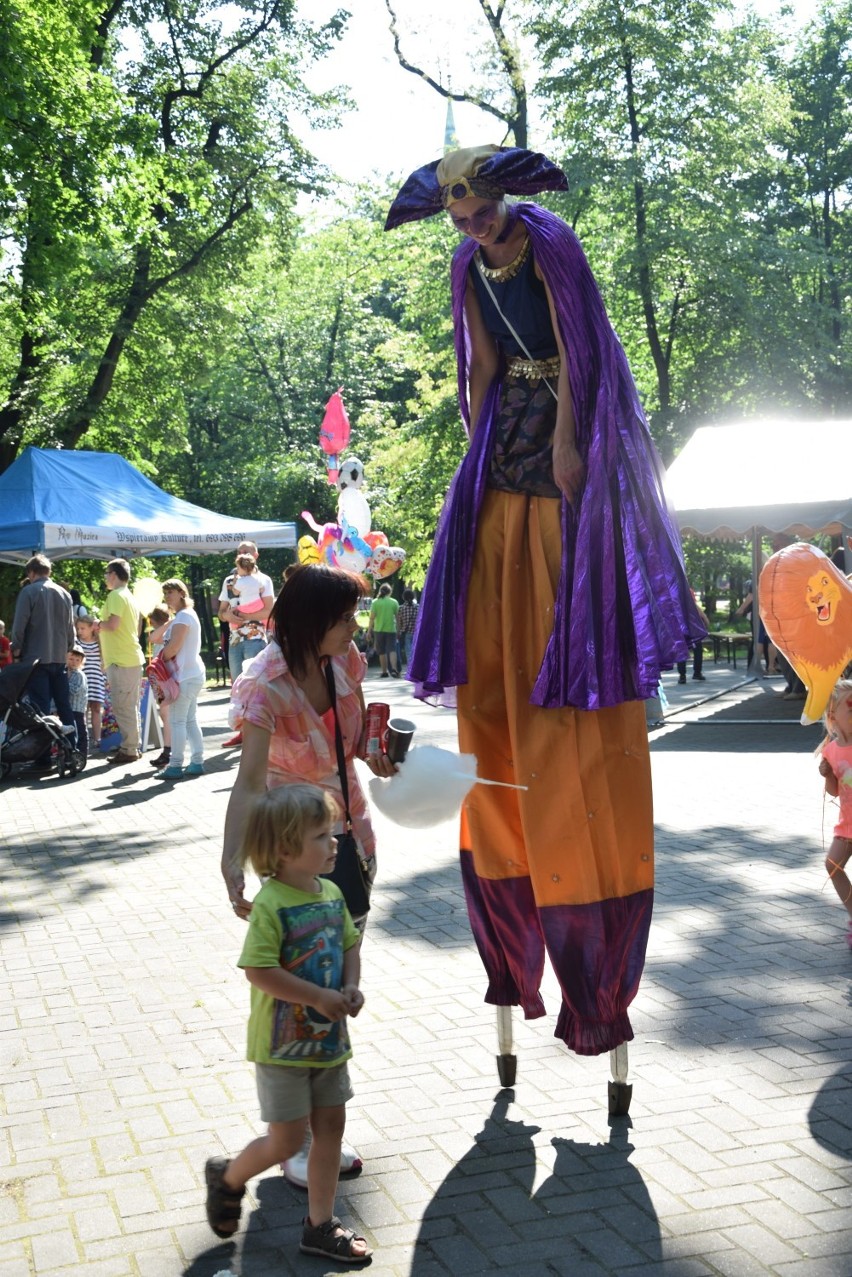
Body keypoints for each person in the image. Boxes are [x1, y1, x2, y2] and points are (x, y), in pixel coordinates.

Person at [385, 145, 705, 1056]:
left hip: (566, 412)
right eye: (455, 212)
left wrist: (569, 442)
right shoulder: (466, 265)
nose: (468, 222)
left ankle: (576, 633)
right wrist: (471, 450)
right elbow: (478, 361)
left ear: (500, 196)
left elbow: (579, 347)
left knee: (563, 524)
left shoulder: (551, 244)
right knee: (479, 544)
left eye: (476, 207)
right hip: (506, 429)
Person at [221, 563, 394, 1186]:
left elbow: (349, 750)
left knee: (337, 980)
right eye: (346, 617)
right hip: (296, 854)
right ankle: (292, 1140)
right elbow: (248, 782)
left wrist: (378, 757)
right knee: (300, 992)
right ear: (313, 621)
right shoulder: (261, 685)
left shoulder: (343, 663)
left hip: (350, 840)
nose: (356, 626)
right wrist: (230, 860)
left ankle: (319, 1129)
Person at [205, 784, 371, 1262]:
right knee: (288, 1139)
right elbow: (259, 970)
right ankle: (229, 1178)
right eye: (321, 836)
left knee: (331, 1126)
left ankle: (320, 1226)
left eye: (333, 832)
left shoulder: (333, 892)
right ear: (283, 849)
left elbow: (349, 945)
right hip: (282, 1048)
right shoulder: (272, 904)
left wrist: (350, 985)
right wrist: (317, 995)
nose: (334, 843)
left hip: (328, 1044)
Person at [10, 554, 77, 769]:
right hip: (59, 658)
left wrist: (16, 649)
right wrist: (67, 649)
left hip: (35, 660)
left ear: (31, 572)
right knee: (64, 706)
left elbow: (20, 625)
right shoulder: (65, 594)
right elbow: (71, 629)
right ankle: (71, 751)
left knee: (40, 710)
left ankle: (43, 757)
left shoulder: (29, 591)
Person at [218, 542, 275, 748]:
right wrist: (228, 615)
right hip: (235, 641)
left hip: (255, 638)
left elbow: (269, 610)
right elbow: (221, 612)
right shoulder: (228, 581)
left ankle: (262, 732)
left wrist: (245, 616)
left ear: (256, 555)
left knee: (257, 686)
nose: (243, 554)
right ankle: (243, 732)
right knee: (238, 688)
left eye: (247, 551)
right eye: (240, 551)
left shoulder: (263, 580)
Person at [153, 580, 206, 780]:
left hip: (184, 677)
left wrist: (159, 661)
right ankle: (197, 761)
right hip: (191, 675)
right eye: (165, 593)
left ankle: (175, 765)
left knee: (177, 721)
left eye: (171, 592)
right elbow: (158, 640)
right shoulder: (184, 616)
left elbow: (174, 647)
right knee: (190, 720)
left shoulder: (184, 616)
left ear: (182, 593)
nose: (167, 596)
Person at [98, 559, 145, 766]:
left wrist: (97, 624)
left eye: (107, 573)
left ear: (114, 574)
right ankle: (132, 745)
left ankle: (130, 749)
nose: (105, 577)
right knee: (129, 705)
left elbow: (113, 625)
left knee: (122, 706)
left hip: (121, 660)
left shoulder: (116, 595)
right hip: (128, 658)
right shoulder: (130, 596)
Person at [818, 680, 852, 949]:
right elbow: (834, 792)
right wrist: (828, 775)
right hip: (847, 825)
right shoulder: (831, 749)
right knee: (833, 866)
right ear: (832, 716)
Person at [146, 605, 173, 770]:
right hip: (160, 679)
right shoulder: (166, 632)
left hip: (167, 680)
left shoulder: (168, 632)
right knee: (166, 716)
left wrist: (169, 623)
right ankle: (169, 749)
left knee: (167, 714)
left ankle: (168, 751)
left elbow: (152, 638)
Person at [75, 615, 105, 751]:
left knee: (96, 709)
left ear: (92, 628)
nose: (80, 631)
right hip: (82, 680)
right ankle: (83, 738)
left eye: (83, 628)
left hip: (97, 679)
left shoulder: (100, 642)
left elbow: (104, 662)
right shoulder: (77, 643)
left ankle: (98, 738)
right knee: (83, 710)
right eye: (78, 628)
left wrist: (106, 678)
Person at [366, 583, 399, 678]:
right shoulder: (394, 602)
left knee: (382, 652)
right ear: (390, 592)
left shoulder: (375, 602)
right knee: (392, 649)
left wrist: (368, 631)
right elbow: (397, 618)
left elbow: (372, 618)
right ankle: (394, 669)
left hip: (378, 630)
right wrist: (399, 629)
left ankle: (384, 672)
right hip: (391, 630)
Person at [677, 596, 710, 683]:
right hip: (691, 624)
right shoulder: (686, 588)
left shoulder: (670, 588)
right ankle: (697, 672)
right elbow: (694, 605)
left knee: (681, 650)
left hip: (679, 625)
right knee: (697, 648)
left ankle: (682, 676)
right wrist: (704, 617)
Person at [66, 645, 89, 760]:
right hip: (69, 708)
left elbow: (75, 690)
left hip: (77, 708)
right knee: (70, 730)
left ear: (81, 662)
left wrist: (64, 683)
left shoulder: (79, 675)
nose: (74, 662)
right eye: (71, 659)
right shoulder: (66, 672)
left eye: (77, 660)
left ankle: (82, 754)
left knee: (80, 731)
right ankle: (70, 753)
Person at [396, 588, 419, 669]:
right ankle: (417, 665)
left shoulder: (401, 608)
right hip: (417, 633)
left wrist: (398, 632)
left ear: (403, 597)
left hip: (406, 633)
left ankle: (411, 667)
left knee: (408, 651)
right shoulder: (418, 607)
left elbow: (399, 622)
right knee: (416, 650)